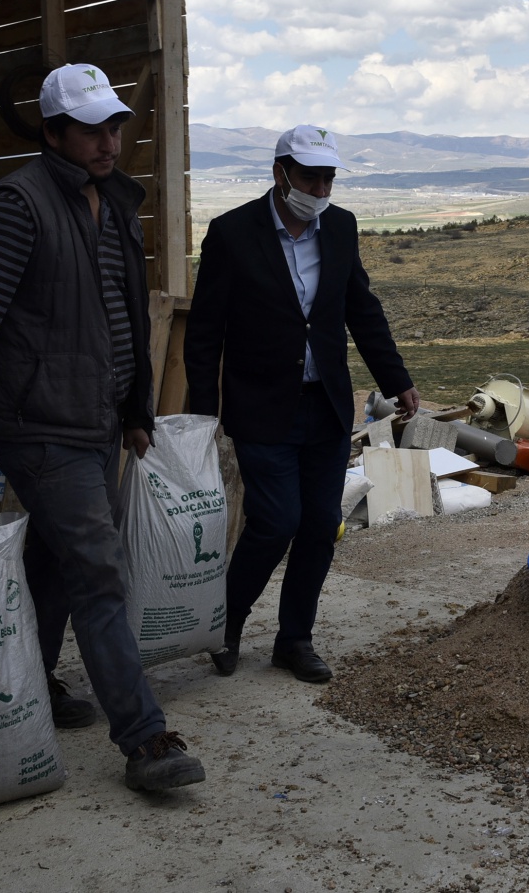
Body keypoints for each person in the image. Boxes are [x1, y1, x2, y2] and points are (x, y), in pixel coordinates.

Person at [0, 63, 206, 792]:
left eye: (113, 125)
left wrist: (136, 410)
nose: (108, 141)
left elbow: (126, 313)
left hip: (95, 421)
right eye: (90, 130)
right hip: (40, 424)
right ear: (53, 133)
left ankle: (31, 686)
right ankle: (145, 739)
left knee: (58, 563)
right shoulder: (19, 205)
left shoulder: (113, 204)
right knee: (98, 567)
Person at [185, 124, 420, 683]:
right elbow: (205, 330)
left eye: (328, 178)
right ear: (280, 173)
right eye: (310, 178)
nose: (320, 190)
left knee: (319, 525)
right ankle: (226, 624)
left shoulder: (340, 227)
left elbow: (361, 308)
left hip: (326, 405)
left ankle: (294, 639)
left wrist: (396, 380)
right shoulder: (232, 232)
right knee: (275, 522)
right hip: (262, 406)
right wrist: (203, 412)